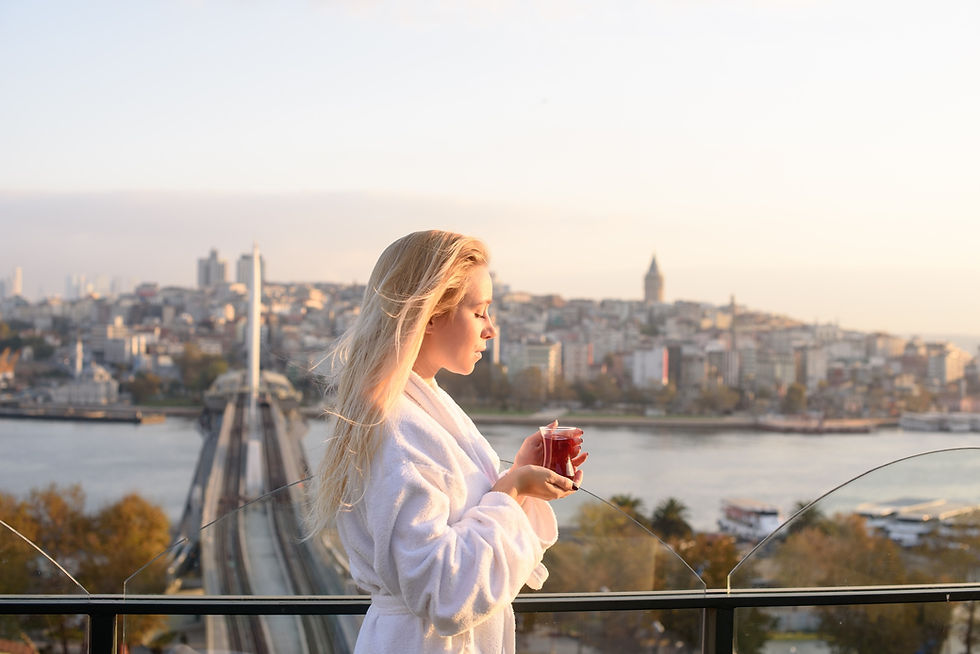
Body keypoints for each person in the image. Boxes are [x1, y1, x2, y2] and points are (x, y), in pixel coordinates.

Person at [308, 230, 586, 653]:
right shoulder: (395, 430)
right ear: (431, 316)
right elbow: (444, 593)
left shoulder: (426, 404)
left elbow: (474, 535)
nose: (491, 330)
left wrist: (518, 477)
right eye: (480, 312)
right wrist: (513, 490)